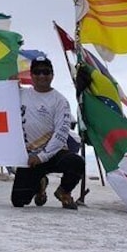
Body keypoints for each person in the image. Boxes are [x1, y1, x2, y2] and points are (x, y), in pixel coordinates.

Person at [11, 56, 84, 211]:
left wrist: (42, 156)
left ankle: (64, 191)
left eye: (46, 72)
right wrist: (8, 83)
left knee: (76, 162)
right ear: (31, 75)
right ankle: (40, 185)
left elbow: (61, 133)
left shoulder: (60, 101)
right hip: (29, 157)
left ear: (52, 75)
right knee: (18, 201)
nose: (42, 76)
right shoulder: (20, 94)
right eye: (37, 72)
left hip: (53, 154)